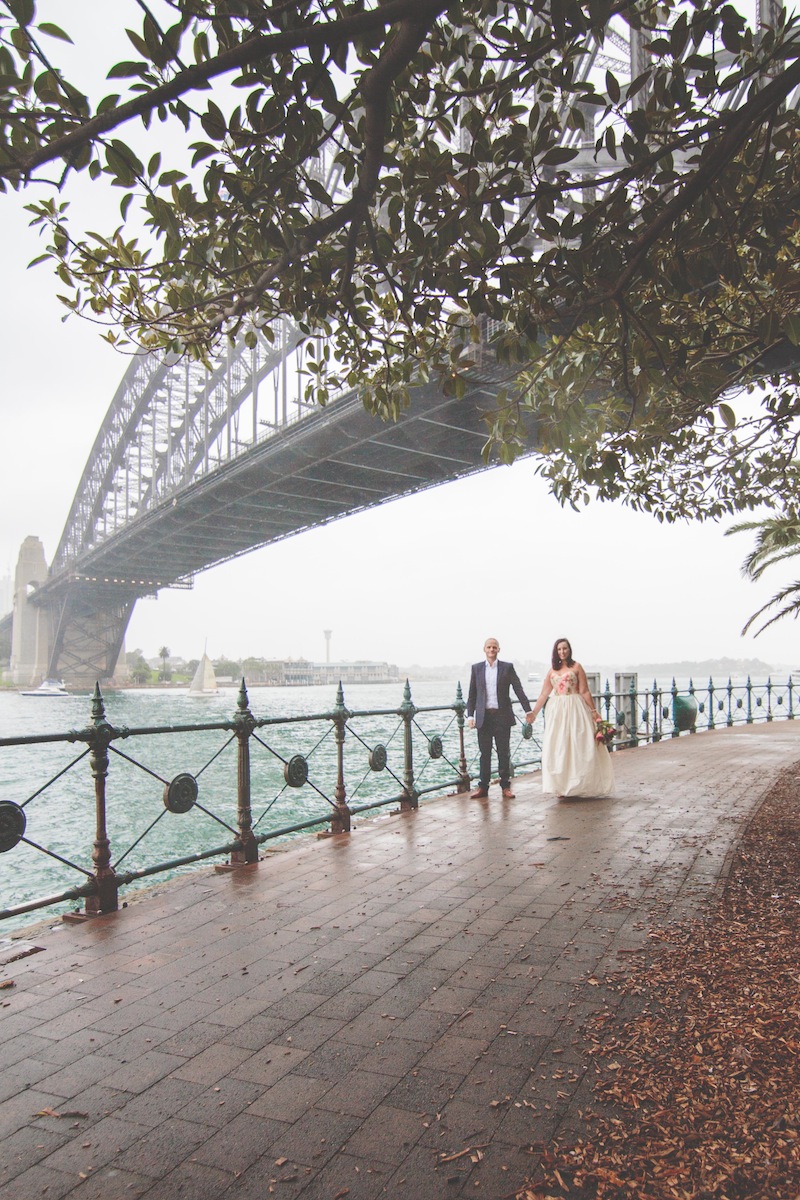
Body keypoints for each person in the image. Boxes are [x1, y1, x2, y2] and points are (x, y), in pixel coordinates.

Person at [526, 637, 613, 798]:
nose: (562, 652)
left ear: (569, 650)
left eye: (564, 648)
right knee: (559, 746)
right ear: (555, 652)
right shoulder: (552, 671)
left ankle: (579, 784)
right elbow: (544, 693)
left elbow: (584, 690)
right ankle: (561, 786)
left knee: (578, 743)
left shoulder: (577, 667)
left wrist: (594, 711)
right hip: (557, 710)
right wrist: (534, 712)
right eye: (559, 649)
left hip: (575, 707)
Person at [467, 637, 531, 799]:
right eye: (489, 647)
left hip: (502, 716)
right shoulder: (476, 669)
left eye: (494, 647)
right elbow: (472, 695)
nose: (491, 650)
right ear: (484, 649)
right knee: (484, 754)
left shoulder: (507, 668)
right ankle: (483, 787)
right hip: (484, 718)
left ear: (498, 649)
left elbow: (518, 689)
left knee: (504, 753)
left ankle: (505, 786)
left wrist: (528, 710)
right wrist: (469, 716)